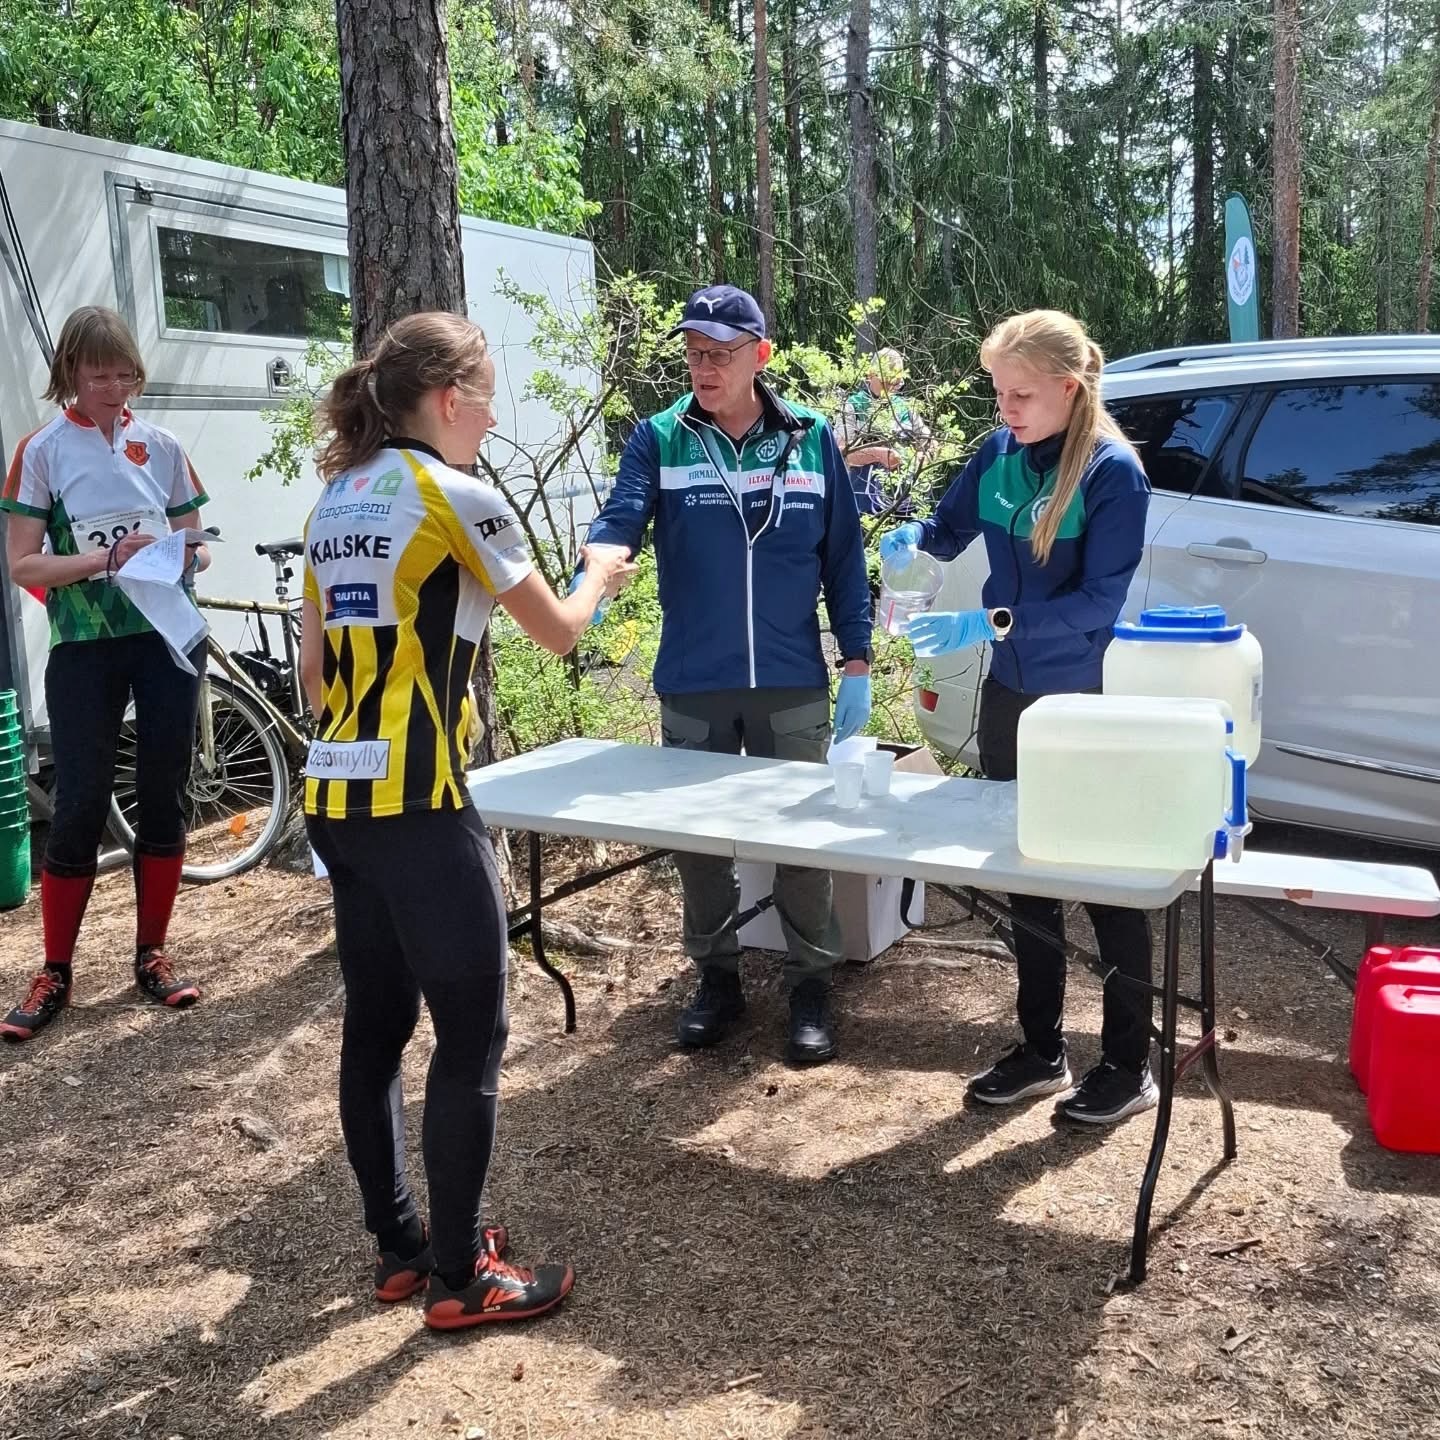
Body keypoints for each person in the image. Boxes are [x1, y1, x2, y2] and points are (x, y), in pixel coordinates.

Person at [300, 310, 634, 1331]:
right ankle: (460, 1278)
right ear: (450, 399)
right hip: (421, 802)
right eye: (487, 398)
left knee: (376, 1028)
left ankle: (401, 1248)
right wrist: (600, 573)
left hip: (336, 799)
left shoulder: (336, 498)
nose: (491, 418)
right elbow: (561, 633)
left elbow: (313, 672)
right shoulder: (457, 494)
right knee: (471, 1036)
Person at [582, 284, 872, 1065]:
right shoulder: (661, 437)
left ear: (760, 356)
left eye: (719, 354)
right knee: (700, 846)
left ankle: (811, 984)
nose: (703, 368)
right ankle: (716, 978)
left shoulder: (810, 438)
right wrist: (597, 573)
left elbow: (844, 558)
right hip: (695, 678)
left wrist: (856, 660)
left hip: (791, 677)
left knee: (803, 842)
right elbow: (622, 516)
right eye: (693, 354)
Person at [881, 309, 1156, 1125]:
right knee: (1023, 872)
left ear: (1069, 389)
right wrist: (911, 539)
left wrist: (988, 622)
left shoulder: (1112, 473)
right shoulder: (999, 452)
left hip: (1084, 702)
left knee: (1105, 885)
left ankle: (1128, 1065)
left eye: (1021, 394)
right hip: (1009, 696)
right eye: (999, 392)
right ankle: (1042, 1050)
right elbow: (947, 527)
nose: (1005, 408)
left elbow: (1096, 604)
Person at [1, 306, 211, 1042]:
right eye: (99, 377)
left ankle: (152, 954)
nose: (115, 390)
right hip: (85, 646)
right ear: (70, 372)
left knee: (164, 793)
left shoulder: (163, 445)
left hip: (164, 637)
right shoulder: (42, 450)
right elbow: (23, 563)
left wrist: (179, 554)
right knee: (81, 802)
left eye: (126, 376)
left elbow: (199, 544)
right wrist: (104, 559)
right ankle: (55, 969)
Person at [838, 347, 930, 515]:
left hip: (906, 503)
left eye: (897, 382)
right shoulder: (853, 406)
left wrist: (921, 458)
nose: (892, 387)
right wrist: (878, 454)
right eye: (887, 381)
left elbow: (930, 442)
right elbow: (842, 452)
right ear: (871, 375)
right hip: (864, 505)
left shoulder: (906, 408)